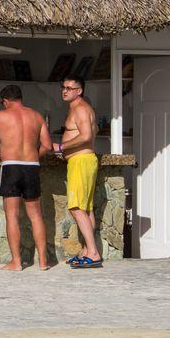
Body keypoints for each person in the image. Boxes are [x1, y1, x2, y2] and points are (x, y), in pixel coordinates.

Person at [0, 85, 53, 271]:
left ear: (5, 100)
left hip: (11, 166)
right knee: (36, 216)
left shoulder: (1, 116)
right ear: (20, 98)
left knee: (12, 215)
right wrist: (34, 154)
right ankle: (43, 262)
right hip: (32, 167)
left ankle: (16, 261)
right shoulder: (36, 116)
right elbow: (47, 145)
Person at [53, 74, 102, 269]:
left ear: (79, 91)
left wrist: (62, 147)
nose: (65, 91)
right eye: (63, 87)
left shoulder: (81, 109)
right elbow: (95, 129)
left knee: (76, 208)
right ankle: (86, 250)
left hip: (81, 161)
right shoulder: (80, 108)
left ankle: (93, 252)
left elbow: (87, 135)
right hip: (82, 160)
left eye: (69, 88)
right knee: (85, 208)